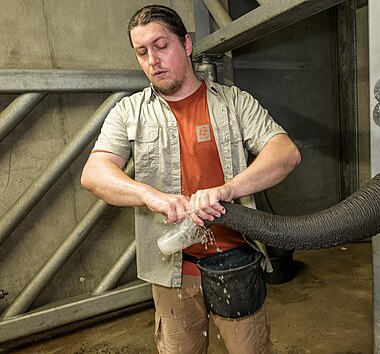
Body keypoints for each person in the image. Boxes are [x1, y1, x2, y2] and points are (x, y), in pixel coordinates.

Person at [81, 4, 301, 354]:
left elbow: (285, 153)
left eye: (161, 45)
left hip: (236, 262)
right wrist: (149, 195)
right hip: (173, 272)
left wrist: (229, 189)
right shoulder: (128, 113)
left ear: (186, 44)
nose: (153, 59)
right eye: (142, 52)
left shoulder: (234, 103)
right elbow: (94, 174)